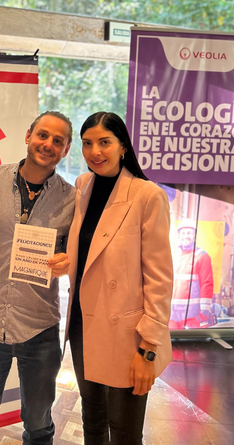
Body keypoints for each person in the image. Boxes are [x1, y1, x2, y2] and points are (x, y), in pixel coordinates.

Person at [0, 111, 76, 445]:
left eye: (58, 140)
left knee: (39, 424)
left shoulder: (72, 199)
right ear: (28, 136)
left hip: (39, 328)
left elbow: (79, 253)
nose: (48, 144)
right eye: (43, 135)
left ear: (66, 149)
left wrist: (68, 262)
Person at [66, 111, 173, 445]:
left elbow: (160, 279)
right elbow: (88, 253)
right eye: (87, 143)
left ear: (123, 146)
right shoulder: (82, 186)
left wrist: (148, 349)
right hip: (83, 323)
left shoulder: (147, 195)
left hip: (128, 334)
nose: (95, 152)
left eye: (104, 142)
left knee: (125, 431)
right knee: (92, 421)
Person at [169, 218, 214, 329]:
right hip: (171, 312)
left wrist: (204, 311)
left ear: (194, 235)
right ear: (179, 235)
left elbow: (206, 284)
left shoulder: (202, 256)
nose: (186, 236)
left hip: (192, 314)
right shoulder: (173, 255)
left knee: (189, 340)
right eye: (183, 233)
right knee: (170, 339)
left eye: (189, 233)